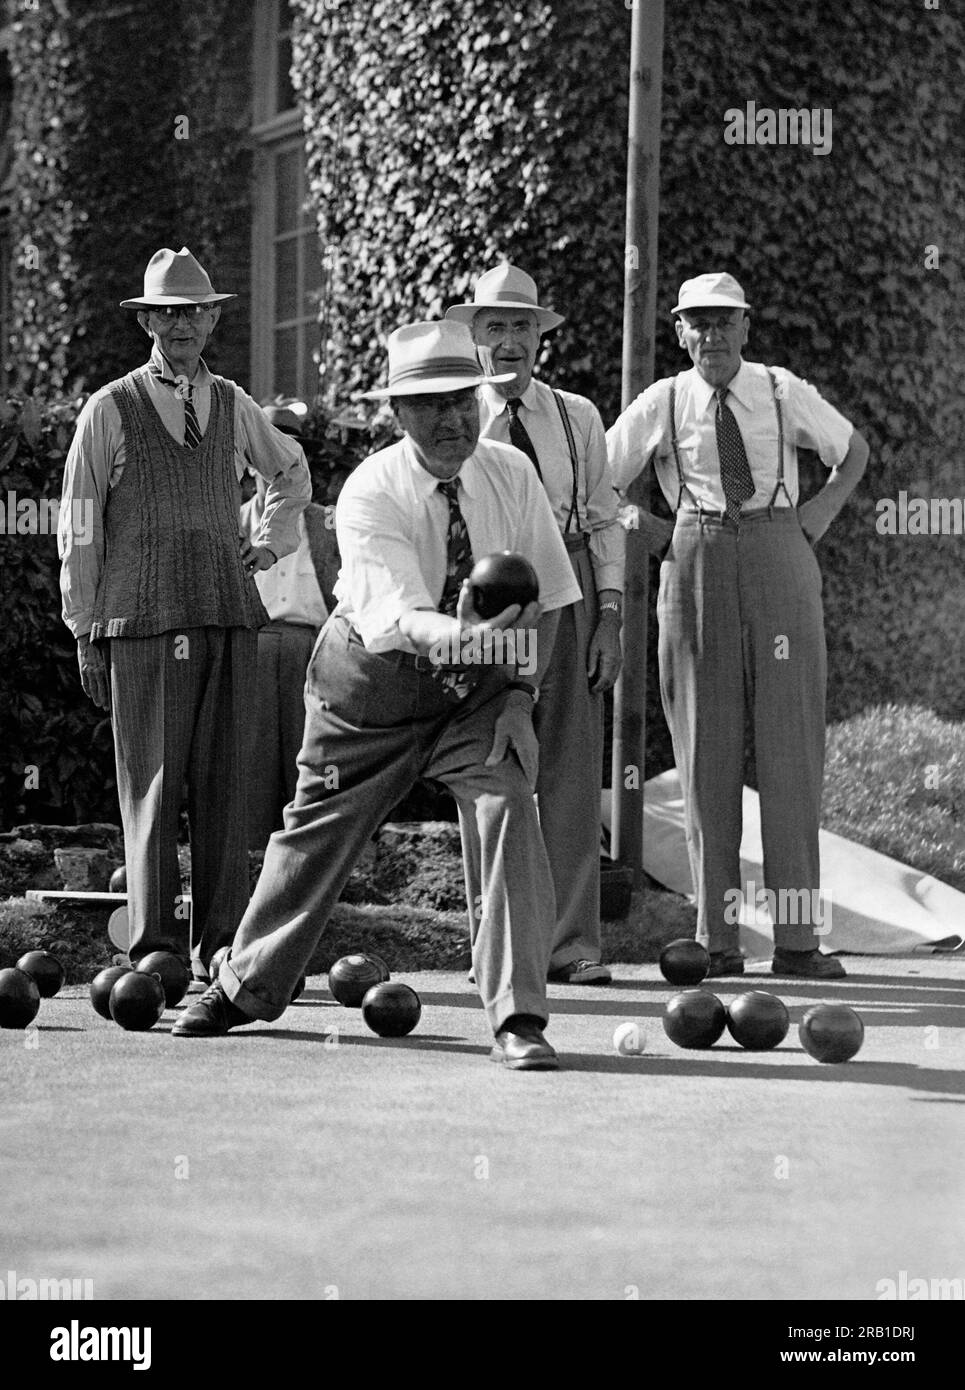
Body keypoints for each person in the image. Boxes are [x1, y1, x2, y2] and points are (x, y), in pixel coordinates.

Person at [173, 320, 583, 1069]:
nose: (452, 419)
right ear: (397, 414)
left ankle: (518, 1018)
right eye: (429, 405)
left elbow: (552, 597)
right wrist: (466, 636)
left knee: (507, 806)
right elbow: (404, 618)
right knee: (314, 832)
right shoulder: (371, 490)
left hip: (476, 695)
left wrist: (521, 695)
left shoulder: (512, 474)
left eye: (462, 400)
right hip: (369, 690)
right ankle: (242, 986)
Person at [58, 246, 311, 980]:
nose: (182, 325)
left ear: (211, 320)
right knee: (153, 787)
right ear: (147, 322)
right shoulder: (109, 408)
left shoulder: (232, 402)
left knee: (226, 788)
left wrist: (267, 546)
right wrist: (83, 629)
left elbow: (290, 471)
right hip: (138, 622)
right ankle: (154, 951)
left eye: (195, 312)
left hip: (226, 612)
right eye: (168, 313)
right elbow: (78, 526)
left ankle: (221, 949)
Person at [607, 272, 869, 979]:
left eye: (724, 321)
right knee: (705, 754)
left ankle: (796, 943)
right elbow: (598, 478)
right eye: (698, 322)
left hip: (779, 550)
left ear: (745, 327)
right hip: (695, 560)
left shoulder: (781, 390)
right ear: (679, 331)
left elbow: (852, 450)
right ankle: (717, 942)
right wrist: (648, 528)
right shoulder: (663, 401)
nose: (712, 335)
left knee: (791, 751)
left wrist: (816, 515)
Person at [446, 264, 625, 985]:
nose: (509, 341)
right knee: (488, 762)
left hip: (570, 588)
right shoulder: (457, 415)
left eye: (522, 326)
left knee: (572, 772)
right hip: (491, 595)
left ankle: (571, 945)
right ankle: (494, 943)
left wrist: (609, 615)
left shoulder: (576, 416)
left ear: (538, 337)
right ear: (475, 336)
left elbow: (605, 518)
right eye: (495, 327)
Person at [239, 403, 336, 850]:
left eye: (289, 452)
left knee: (310, 757)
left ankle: (311, 855)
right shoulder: (233, 521)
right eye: (268, 452)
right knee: (251, 762)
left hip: (310, 650)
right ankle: (253, 859)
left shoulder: (323, 522)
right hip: (252, 649)